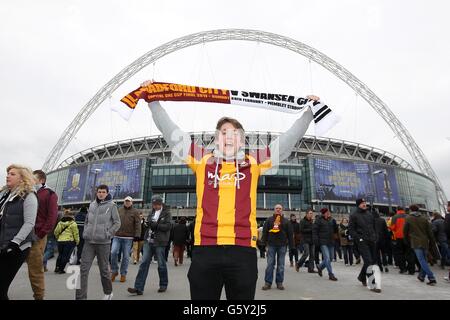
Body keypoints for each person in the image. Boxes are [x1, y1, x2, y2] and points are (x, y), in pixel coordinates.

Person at [141, 80, 325, 300]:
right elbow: (171, 132)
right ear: (217, 139)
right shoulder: (202, 159)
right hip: (205, 249)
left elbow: (287, 141)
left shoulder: (254, 161)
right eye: (224, 133)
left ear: (242, 140)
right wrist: (153, 102)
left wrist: (308, 113)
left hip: (243, 251)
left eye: (234, 134)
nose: (229, 137)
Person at [75, 184, 121, 300]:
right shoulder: (91, 205)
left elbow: (117, 223)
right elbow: (87, 221)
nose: (101, 194)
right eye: (99, 192)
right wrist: (86, 232)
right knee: (83, 270)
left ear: (107, 193)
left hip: (103, 243)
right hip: (89, 242)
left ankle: (108, 292)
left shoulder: (112, 206)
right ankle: (80, 298)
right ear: (96, 192)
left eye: (103, 192)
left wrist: (108, 234)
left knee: (104, 271)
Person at [0, 164, 38, 300]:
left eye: (12, 174)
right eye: (8, 173)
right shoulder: (6, 195)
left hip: (16, 248)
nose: (8, 176)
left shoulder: (29, 196)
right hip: (3, 245)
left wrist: (14, 243)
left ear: (22, 178)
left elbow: (29, 223)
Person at [128, 195, 171, 295]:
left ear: (161, 204)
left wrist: (156, 225)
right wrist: (149, 224)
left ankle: (163, 284)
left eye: (157, 204)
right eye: (153, 204)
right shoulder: (151, 212)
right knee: (144, 264)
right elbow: (149, 223)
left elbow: (168, 226)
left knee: (161, 264)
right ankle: (138, 288)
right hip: (148, 240)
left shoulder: (167, 213)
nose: (155, 206)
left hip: (160, 242)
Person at [26, 169, 58, 300]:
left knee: (35, 268)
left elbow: (51, 218)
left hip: (37, 235)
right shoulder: (28, 192)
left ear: (41, 180)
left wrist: (40, 234)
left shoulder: (50, 194)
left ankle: (39, 296)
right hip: (22, 233)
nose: (31, 181)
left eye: (34, 179)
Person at [349, 198, 380, 293]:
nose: (364, 204)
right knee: (368, 261)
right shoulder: (354, 215)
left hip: (371, 240)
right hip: (362, 241)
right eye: (362, 203)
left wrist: (375, 236)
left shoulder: (369, 214)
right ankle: (372, 283)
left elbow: (374, 227)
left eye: (365, 203)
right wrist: (358, 238)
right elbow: (351, 230)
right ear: (358, 205)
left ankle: (361, 277)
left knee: (371, 261)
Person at [261, 204, 293, 290]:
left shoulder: (286, 221)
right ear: (274, 210)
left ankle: (279, 282)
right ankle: (268, 282)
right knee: (270, 264)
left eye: (280, 208)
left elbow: (290, 235)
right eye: (277, 208)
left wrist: (292, 247)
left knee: (281, 265)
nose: (278, 210)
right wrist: (263, 245)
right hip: (271, 245)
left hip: (282, 246)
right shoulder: (269, 220)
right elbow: (265, 233)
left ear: (282, 210)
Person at [404, 204, 437, 286]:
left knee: (422, 260)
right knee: (424, 260)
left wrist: (406, 241)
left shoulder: (408, 218)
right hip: (425, 241)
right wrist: (432, 242)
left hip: (415, 242)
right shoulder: (424, 218)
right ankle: (421, 276)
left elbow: (405, 231)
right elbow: (430, 232)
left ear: (411, 210)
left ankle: (431, 277)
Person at [111, 196, 141, 283]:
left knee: (126, 256)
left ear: (132, 202)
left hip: (128, 238)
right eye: (126, 201)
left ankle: (123, 273)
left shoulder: (135, 212)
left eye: (129, 201)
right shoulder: (119, 210)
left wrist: (137, 235)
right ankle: (114, 271)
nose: (127, 203)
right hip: (117, 236)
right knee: (113, 252)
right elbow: (114, 221)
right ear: (124, 202)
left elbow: (138, 224)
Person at [313, 208, 338, 281]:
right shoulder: (318, 220)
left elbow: (335, 230)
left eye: (329, 212)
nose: (328, 213)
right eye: (327, 212)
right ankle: (331, 274)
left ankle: (320, 267)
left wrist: (335, 226)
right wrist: (316, 241)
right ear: (323, 213)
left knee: (331, 258)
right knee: (327, 258)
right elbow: (315, 231)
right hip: (323, 242)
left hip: (331, 241)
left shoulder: (332, 220)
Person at [389, 206, 416, 274]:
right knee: (410, 253)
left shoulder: (395, 217)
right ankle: (411, 270)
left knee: (400, 253)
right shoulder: (408, 216)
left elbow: (392, 228)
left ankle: (403, 269)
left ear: (397, 210)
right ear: (403, 209)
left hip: (399, 237)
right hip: (408, 237)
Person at [54, 209, 79, 273]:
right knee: (65, 256)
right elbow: (76, 234)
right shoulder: (73, 224)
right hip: (69, 241)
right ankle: (61, 269)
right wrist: (77, 241)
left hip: (60, 241)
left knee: (60, 254)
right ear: (72, 216)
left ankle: (57, 267)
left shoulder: (60, 223)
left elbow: (56, 232)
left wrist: (58, 238)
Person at [296, 208, 316, 273]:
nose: (311, 215)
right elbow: (301, 230)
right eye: (310, 213)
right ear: (306, 214)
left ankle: (311, 269)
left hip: (312, 240)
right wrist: (310, 230)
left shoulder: (312, 221)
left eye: (312, 213)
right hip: (305, 240)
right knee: (306, 253)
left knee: (312, 255)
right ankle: (298, 264)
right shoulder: (302, 221)